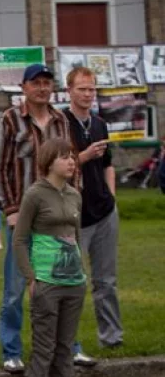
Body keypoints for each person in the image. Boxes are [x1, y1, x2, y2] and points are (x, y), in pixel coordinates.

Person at [0, 64, 94, 374]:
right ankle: (11, 351)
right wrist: (10, 210)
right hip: (23, 217)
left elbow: (71, 164)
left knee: (65, 282)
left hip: (59, 218)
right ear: (23, 87)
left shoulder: (62, 120)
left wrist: (74, 204)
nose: (42, 88)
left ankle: (70, 348)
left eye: (47, 83)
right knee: (15, 287)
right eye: (36, 83)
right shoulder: (9, 120)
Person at [13, 139, 90, 377]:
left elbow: (77, 235)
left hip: (74, 281)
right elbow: (20, 239)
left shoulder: (75, 194)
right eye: (64, 157)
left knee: (65, 344)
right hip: (46, 280)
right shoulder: (35, 194)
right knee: (44, 345)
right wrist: (30, 277)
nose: (71, 161)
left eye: (72, 157)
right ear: (48, 161)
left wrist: (82, 271)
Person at [63, 67, 123, 350]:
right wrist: (83, 157)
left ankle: (111, 338)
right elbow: (55, 166)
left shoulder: (99, 123)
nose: (87, 94)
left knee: (106, 281)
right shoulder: (60, 123)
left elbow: (109, 164)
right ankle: (68, 344)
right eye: (82, 89)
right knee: (70, 283)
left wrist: (111, 197)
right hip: (74, 216)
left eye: (91, 89)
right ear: (69, 91)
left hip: (104, 212)